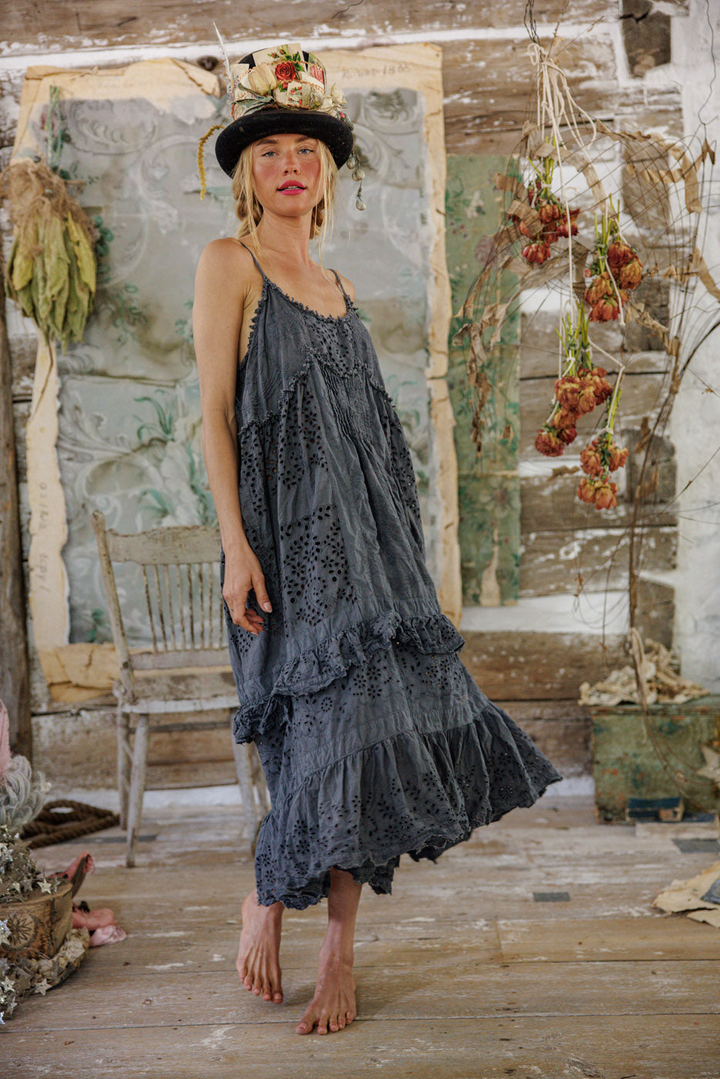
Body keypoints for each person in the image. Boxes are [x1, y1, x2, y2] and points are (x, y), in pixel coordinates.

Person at [193, 42, 564, 1038]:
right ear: (247, 173)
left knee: (366, 739)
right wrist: (235, 544)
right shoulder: (230, 264)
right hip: (287, 548)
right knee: (313, 733)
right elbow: (215, 416)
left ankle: (339, 947)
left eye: (306, 152)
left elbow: (370, 438)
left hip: (372, 550)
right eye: (269, 152)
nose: (290, 166)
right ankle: (268, 887)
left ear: (326, 173)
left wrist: (405, 551)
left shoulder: (338, 282)